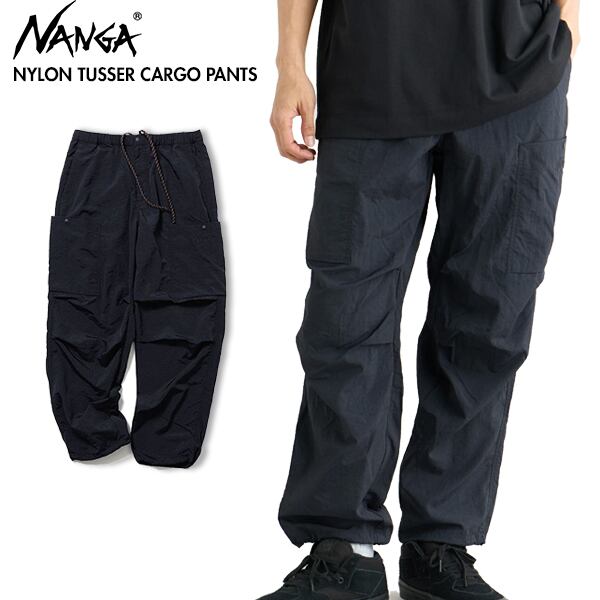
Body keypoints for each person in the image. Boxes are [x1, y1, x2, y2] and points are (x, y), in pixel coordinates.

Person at [261, 1, 580, 599]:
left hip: (520, 80)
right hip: (372, 71)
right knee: (345, 321)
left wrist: (568, 19)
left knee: (487, 322)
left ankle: (440, 545)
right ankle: (344, 548)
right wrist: (290, 64)